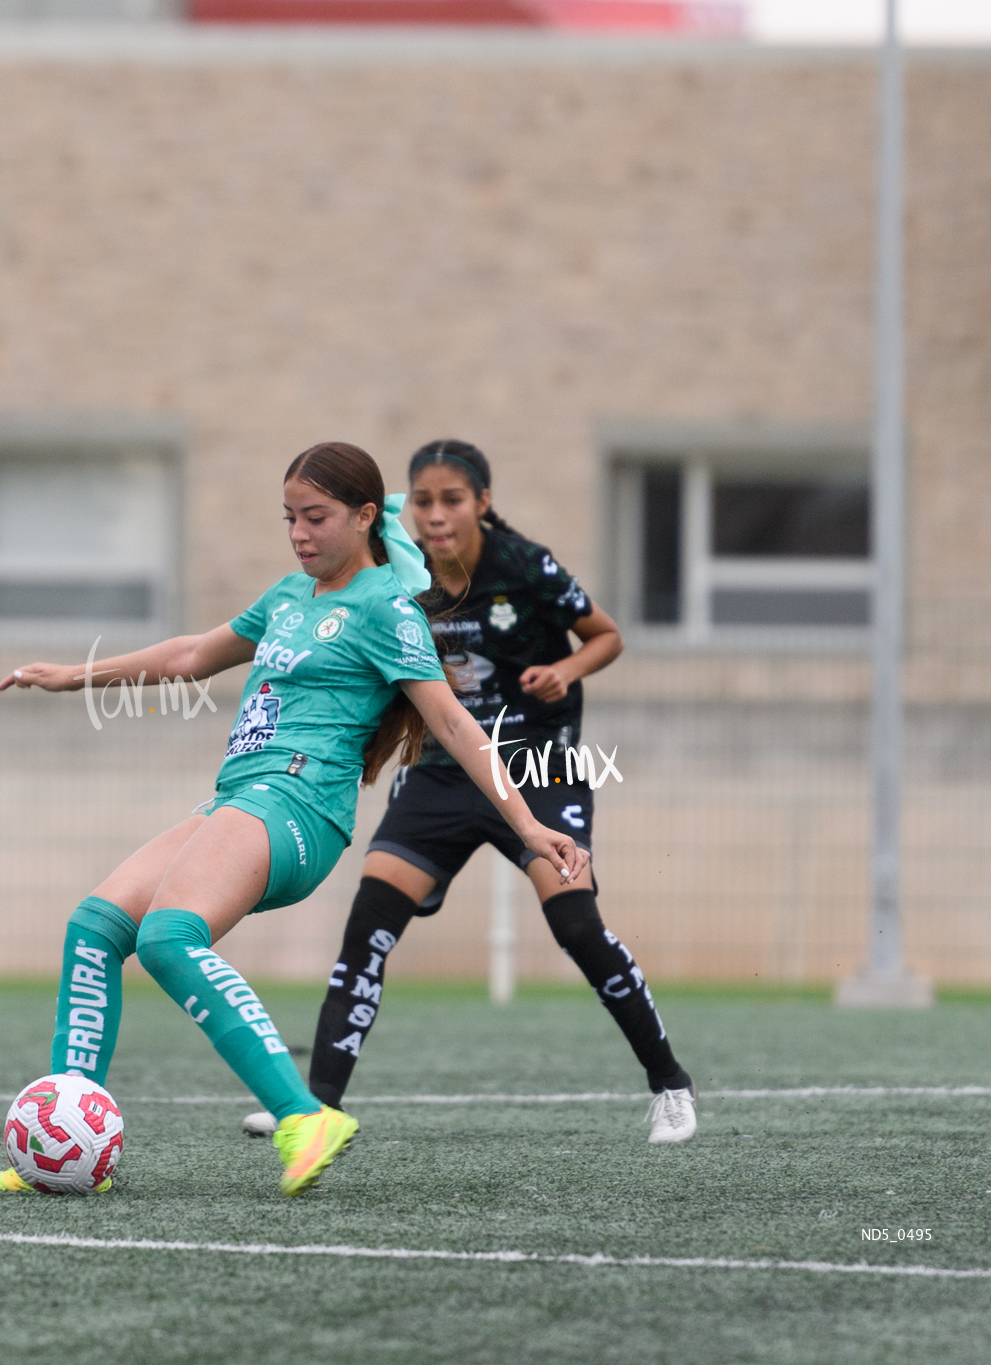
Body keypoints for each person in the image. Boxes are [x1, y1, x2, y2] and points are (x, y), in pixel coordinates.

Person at [0, 441, 587, 1198]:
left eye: (317, 517)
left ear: (366, 516)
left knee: (170, 936)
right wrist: (76, 674)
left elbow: (458, 726)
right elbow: (191, 655)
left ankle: (305, 1115)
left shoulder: (384, 608)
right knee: (95, 926)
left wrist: (530, 827)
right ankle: (62, 1139)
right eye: (289, 518)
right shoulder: (287, 596)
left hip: (300, 805)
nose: (300, 534)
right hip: (239, 797)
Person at [242, 438, 697, 1147]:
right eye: (422, 500)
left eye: (452, 499)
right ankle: (315, 1105)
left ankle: (670, 1082)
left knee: (576, 925)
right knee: (369, 923)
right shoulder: (401, 574)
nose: (436, 514)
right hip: (442, 776)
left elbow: (606, 635)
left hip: (538, 772)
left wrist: (567, 670)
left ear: (483, 502)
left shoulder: (525, 565)